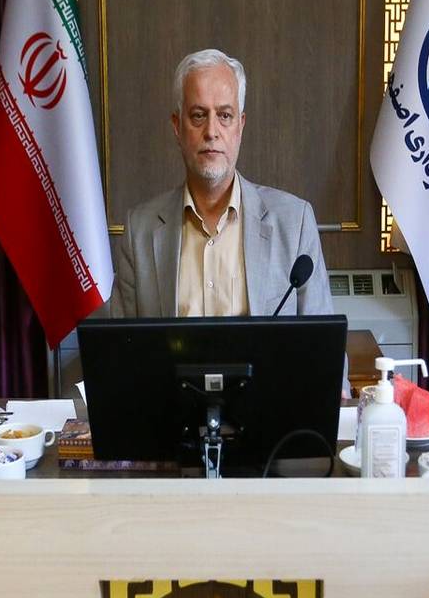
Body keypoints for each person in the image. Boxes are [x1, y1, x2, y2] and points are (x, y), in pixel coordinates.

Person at [110, 49, 346, 391]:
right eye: (198, 116)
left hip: (269, 417)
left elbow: (327, 355)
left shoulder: (294, 223)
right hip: (173, 418)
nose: (212, 131)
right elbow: (120, 359)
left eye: (224, 115)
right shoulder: (141, 231)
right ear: (177, 127)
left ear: (240, 126)